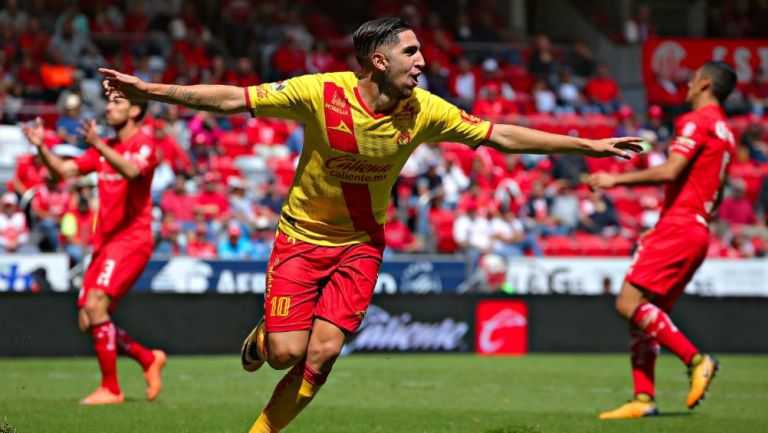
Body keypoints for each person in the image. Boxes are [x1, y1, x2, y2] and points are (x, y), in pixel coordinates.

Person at [100, 17, 640, 432]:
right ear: (378, 61)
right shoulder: (320, 93)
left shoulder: (425, 110)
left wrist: (586, 144)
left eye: (422, 52)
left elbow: (501, 135)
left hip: (361, 245)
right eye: (411, 52)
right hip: (301, 239)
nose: (422, 62)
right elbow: (232, 100)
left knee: (324, 353)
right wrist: (153, 92)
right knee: (285, 353)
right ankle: (267, 336)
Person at [587, 61, 737, 419]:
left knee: (627, 303)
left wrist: (614, 181)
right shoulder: (726, 131)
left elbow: (671, 170)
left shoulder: (695, 121)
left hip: (679, 225)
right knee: (646, 315)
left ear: (703, 83)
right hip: (699, 227)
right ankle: (643, 398)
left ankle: (697, 360)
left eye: (691, 79)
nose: (686, 86)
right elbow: (715, 194)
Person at [21, 97, 167, 405]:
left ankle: (111, 389)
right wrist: (41, 148)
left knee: (96, 306)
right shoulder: (105, 148)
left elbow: (131, 172)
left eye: (117, 102)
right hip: (104, 242)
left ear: (135, 110)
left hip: (131, 240)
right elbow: (62, 172)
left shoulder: (144, 144)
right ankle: (146, 358)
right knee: (88, 320)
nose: (109, 107)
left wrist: (98, 144)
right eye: (109, 103)